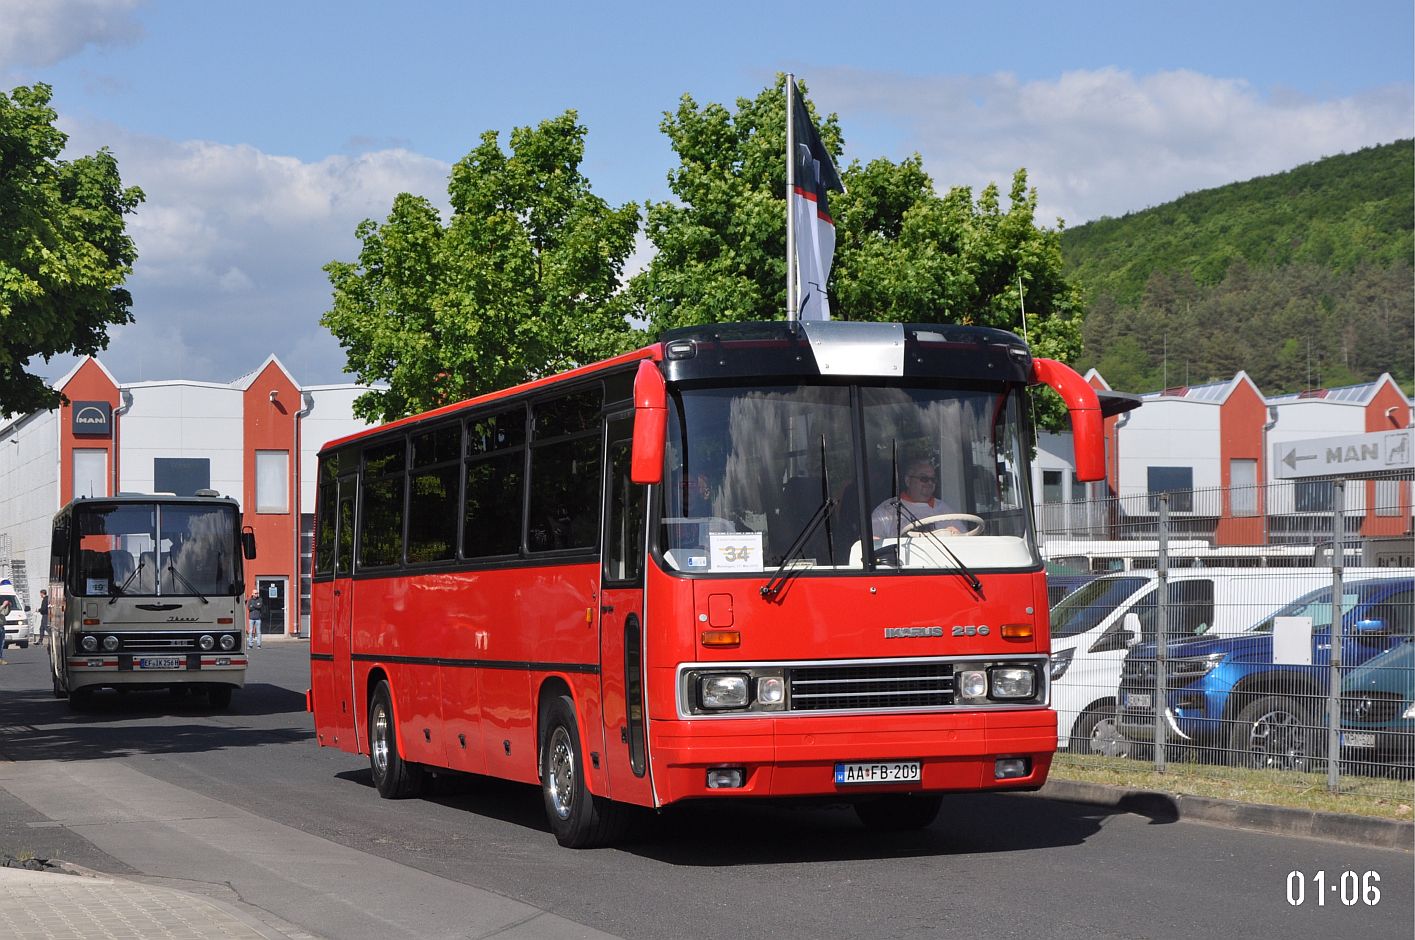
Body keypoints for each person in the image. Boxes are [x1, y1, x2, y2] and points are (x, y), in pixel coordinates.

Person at [870, 458, 961, 540]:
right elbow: (874, 544)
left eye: (933, 479)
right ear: (908, 481)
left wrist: (957, 535)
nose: (930, 483)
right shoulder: (887, 510)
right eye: (924, 479)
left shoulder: (945, 510)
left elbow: (964, 539)